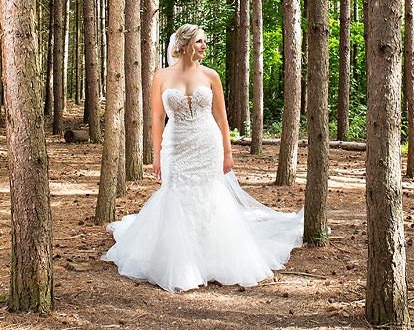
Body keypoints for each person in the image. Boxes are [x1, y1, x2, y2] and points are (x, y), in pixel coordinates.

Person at [101, 23, 304, 293]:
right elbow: (157, 118)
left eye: (205, 41)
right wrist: (157, 154)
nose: (204, 46)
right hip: (176, 144)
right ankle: (180, 262)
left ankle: (212, 257)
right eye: (199, 42)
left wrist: (228, 152)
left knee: (210, 196)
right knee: (175, 194)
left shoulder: (211, 76)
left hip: (206, 143)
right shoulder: (161, 76)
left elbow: (221, 117)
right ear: (183, 45)